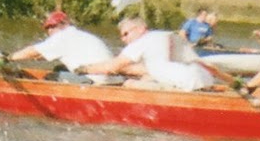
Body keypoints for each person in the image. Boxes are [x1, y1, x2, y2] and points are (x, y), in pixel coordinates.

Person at [80, 15, 211, 91]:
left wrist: (84, 69)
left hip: (187, 87)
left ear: (141, 29)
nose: (123, 39)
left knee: (128, 84)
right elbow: (151, 70)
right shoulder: (167, 35)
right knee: (146, 79)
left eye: (126, 34)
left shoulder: (141, 42)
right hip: (205, 81)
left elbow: (112, 67)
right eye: (122, 36)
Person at [9, 10, 113, 77]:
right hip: (109, 77)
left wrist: (8, 57)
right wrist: (34, 56)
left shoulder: (62, 37)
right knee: (59, 69)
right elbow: (39, 54)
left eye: (52, 26)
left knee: (51, 76)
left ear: (64, 25)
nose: (49, 30)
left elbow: (32, 51)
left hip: (94, 79)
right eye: (47, 28)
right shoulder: (79, 35)